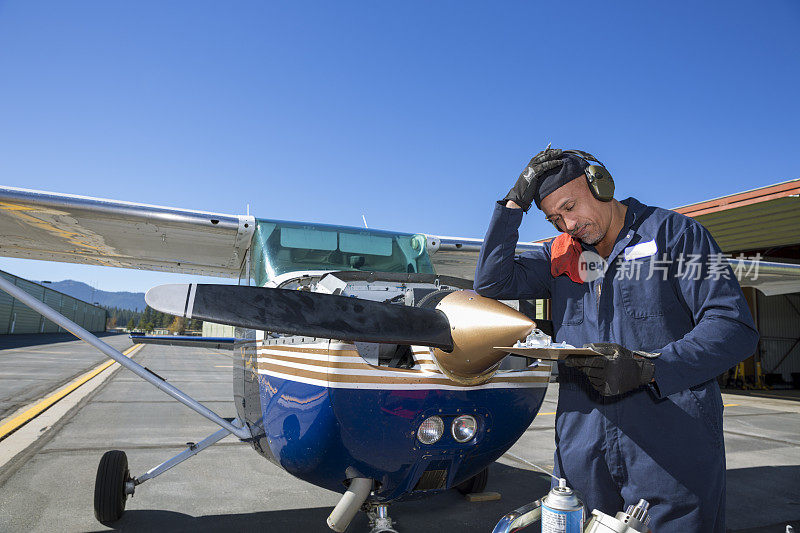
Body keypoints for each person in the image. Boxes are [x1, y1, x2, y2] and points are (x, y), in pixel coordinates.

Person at [473, 147, 759, 532]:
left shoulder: (676, 236)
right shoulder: (560, 256)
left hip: (671, 446)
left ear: (600, 185)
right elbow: (491, 282)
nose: (568, 224)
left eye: (571, 206)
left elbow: (733, 326)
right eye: (555, 218)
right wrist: (512, 204)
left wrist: (651, 368)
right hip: (583, 449)